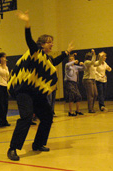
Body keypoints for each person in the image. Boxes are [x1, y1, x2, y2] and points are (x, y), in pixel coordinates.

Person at [6, 11, 74, 161]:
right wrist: (27, 23)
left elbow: (53, 63)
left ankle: (38, 144)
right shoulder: (34, 51)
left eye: (52, 41)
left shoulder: (45, 58)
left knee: (47, 116)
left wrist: (67, 52)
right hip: (24, 91)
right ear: (41, 44)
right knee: (26, 117)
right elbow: (29, 41)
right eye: (49, 41)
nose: (52, 44)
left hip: (37, 93)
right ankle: (12, 148)